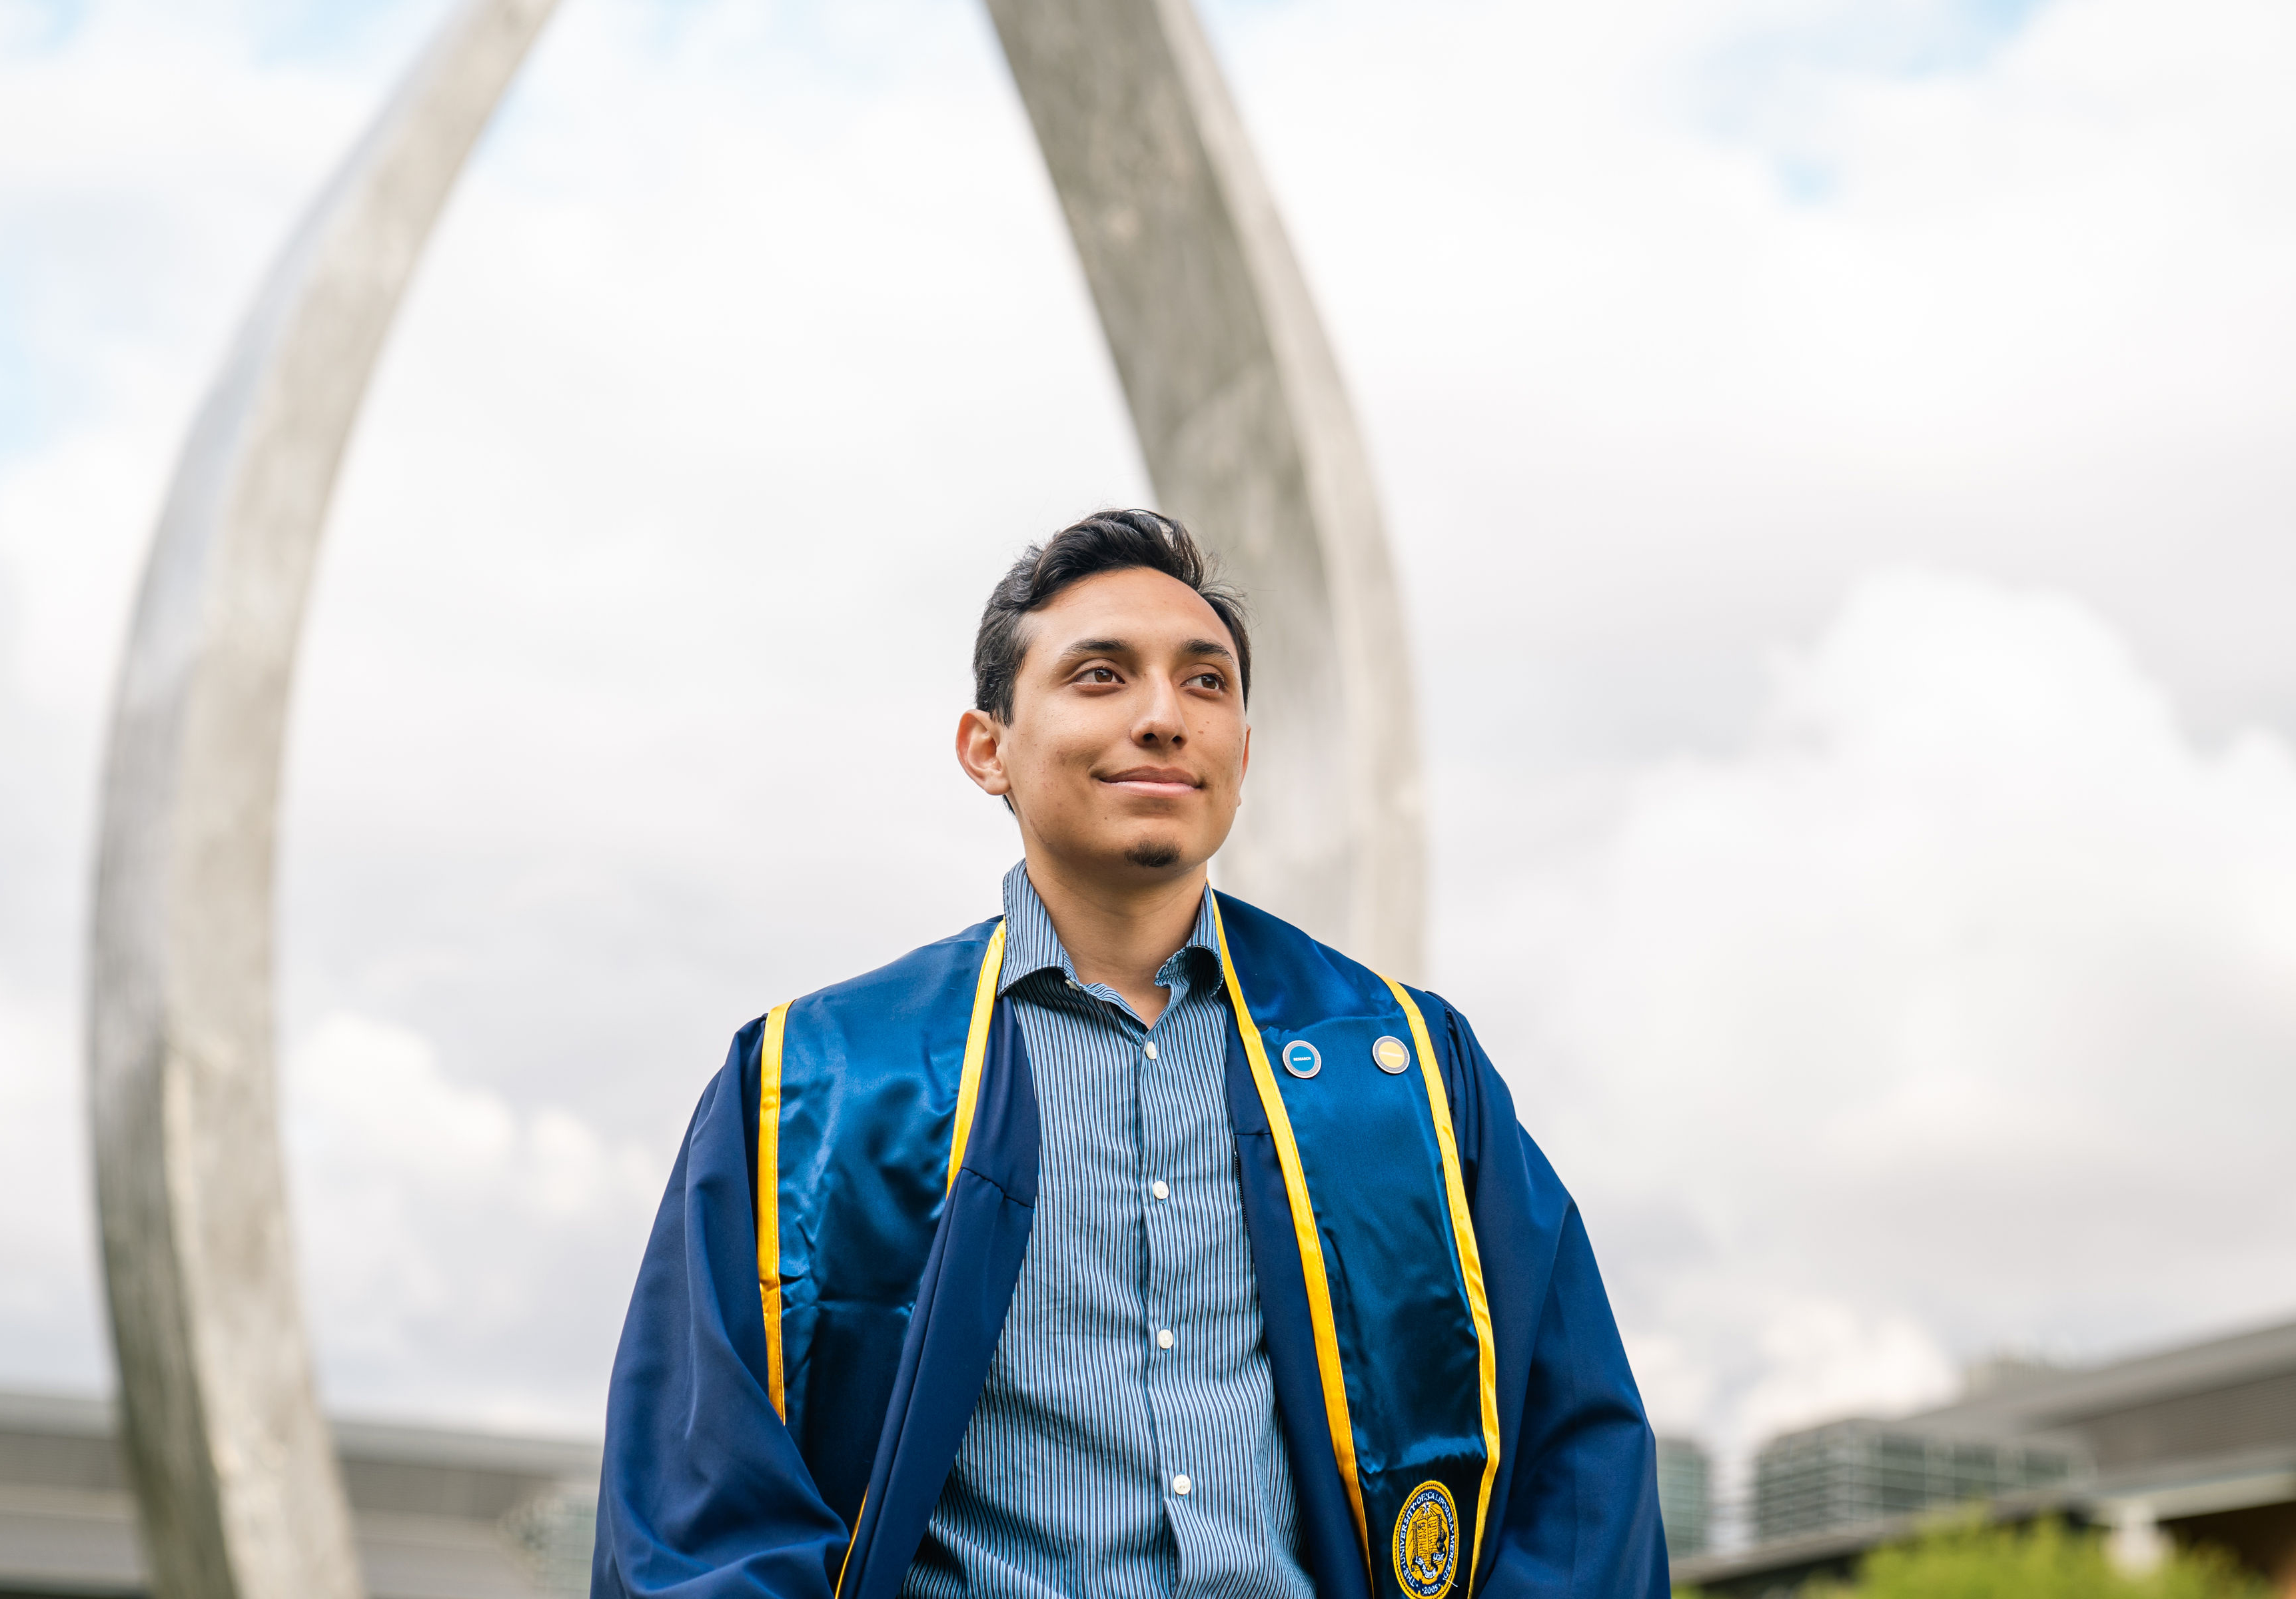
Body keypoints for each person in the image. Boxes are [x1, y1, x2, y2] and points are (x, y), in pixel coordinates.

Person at [592, 510, 1669, 1599]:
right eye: (1101, 677)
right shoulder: (815, 1087)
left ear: (1242, 756)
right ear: (988, 748)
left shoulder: (1405, 1070)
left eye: (1206, 684)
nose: (1164, 717)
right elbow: (706, 1513)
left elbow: (1578, 1471)